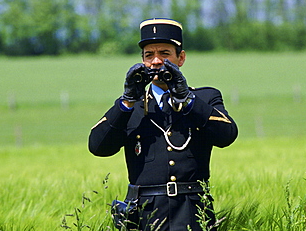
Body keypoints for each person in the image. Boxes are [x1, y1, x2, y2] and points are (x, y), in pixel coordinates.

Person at [88, 18, 238, 230]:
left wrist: (186, 99)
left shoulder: (204, 98)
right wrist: (127, 100)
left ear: (181, 58)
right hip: (144, 214)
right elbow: (97, 146)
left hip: (192, 212)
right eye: (149, 55)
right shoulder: (130, 107)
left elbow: (227, 135)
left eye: (165, 54)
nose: (156, 61)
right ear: (142, 61)